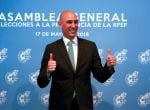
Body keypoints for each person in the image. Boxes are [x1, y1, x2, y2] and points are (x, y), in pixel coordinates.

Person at [37, 10, 116, 110]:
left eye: (76, 22)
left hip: (84, 106)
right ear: (60, 24)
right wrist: (48, 71)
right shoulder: (51, 48)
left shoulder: (90, 46)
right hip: (59, 106)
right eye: (69, 22)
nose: (74, 26)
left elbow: (100, 76)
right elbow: (41, 82)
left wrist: (108, 66)